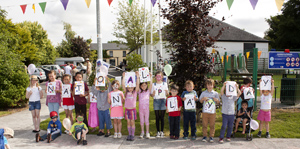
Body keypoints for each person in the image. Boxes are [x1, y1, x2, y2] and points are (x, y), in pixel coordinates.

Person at [122, 72, 140, 141]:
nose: (130, 89)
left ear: (133, 87)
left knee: (132, 122)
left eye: (131, 87)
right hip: (127, 110)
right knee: (128, 122)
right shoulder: (126, 92)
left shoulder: (135, 92)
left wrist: (137, 76)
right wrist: (123, 77)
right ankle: (129, 134)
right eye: (129, 87)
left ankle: (133, 134)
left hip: (132, 110)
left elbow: (138, 84)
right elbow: (123, 85)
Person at [151, 70, 169, 138]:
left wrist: (167, 93)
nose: (158, 77)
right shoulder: (153, 84)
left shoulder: (165, 84)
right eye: (157, 76)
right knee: (157, 117)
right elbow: (152, 95)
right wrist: (152, 94)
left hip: (163, 101)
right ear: (155, 77)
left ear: (162, 77)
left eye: (160, 76)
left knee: (162, 117)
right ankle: (158, 131)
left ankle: (162, 131)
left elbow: (167, 94)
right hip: (156, 101)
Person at [138, 74, 153, 139]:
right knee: (141, 121)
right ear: (140, 86)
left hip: (146, 109)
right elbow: (137, 84)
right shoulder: (139, 91)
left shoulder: (148, 91)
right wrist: (138, 76)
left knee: (146, 120)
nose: (143, 87)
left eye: (145, 85)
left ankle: (147, 132)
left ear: (147, 85)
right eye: (142, 85)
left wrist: (150, 76)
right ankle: (142, 132)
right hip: (141, 109)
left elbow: (151, 84)